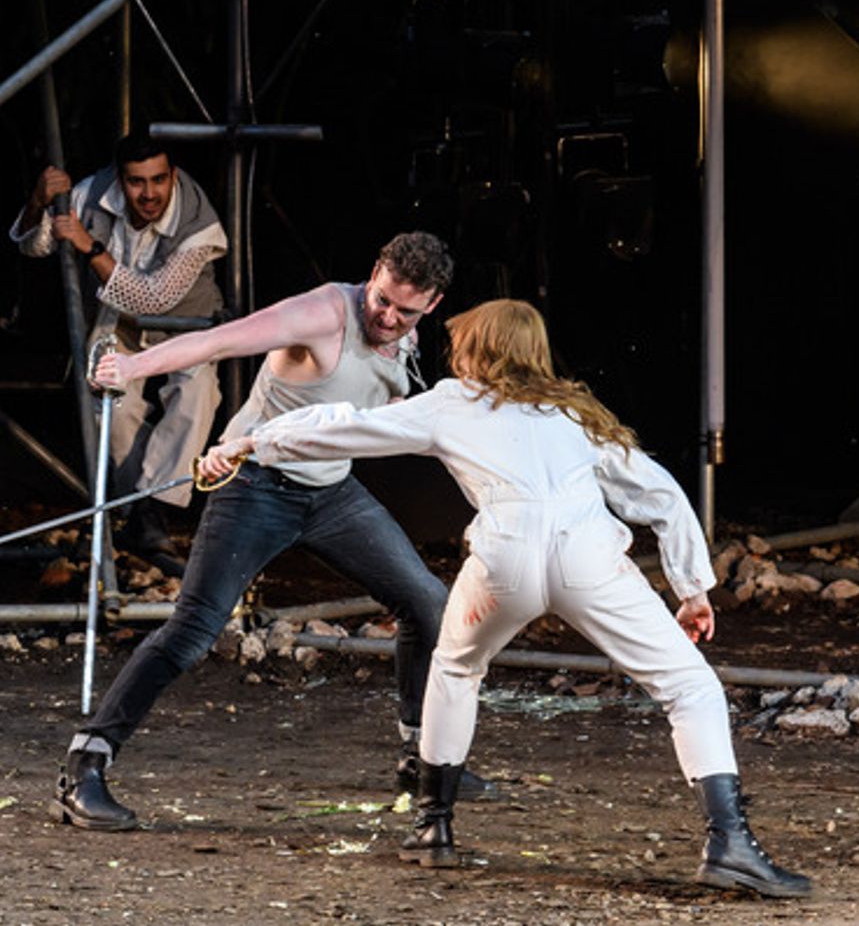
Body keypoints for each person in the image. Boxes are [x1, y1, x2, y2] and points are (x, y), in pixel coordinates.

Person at [201, 298, 811, 898]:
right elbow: (662, 495)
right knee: (689, 686)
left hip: (505, 560)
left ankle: (433, 826)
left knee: (455, 668)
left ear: (482, 350)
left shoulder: (452, 403)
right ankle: (728, 842)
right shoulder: (573, 412)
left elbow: (345, 426)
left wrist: (250, 443)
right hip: (586, 558)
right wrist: (691, 589)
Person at [50, 231, 498, 833]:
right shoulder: (323, 313)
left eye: (405, 312)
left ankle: (422, 757)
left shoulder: (406, 336)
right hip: (255, 484)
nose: (388, 318)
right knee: (192, 633)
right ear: (374, 274)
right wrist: (131, 367)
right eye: (382, 301)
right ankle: (86, 765)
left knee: (426, 601)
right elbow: (221, 340)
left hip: (331, 492)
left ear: (432, 305)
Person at [11, 127, 227, 576]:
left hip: (185, 322)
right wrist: (38, 200)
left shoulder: (198, 220)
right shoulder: (92, 194)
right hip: (117, 321)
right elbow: (35, 245)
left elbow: (154, 299)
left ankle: (150, 508)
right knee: (112, 406)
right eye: (136, 182)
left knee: (197, 395)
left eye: (159, 180)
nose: (149, 194)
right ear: (119, 177)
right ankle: (144, 515)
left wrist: (90, 247)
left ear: (173, 175)